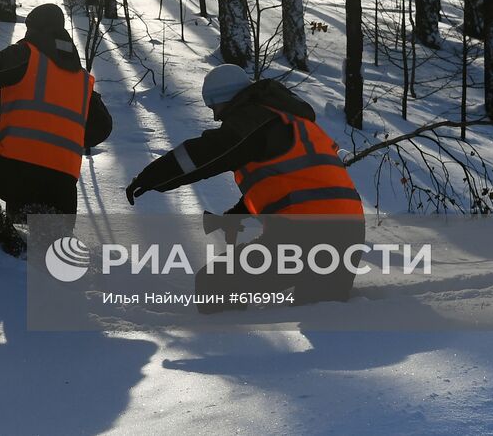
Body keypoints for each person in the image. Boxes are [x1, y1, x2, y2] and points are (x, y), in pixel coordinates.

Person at [124, 64, 365, 306]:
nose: (215, 115)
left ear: (224, 99)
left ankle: (232, 342)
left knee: (214, 284)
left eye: (213, 105)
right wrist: (237, 214)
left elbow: (208, 154)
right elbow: (296, 187)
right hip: (348, 236)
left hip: (304, 238)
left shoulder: (255, 121)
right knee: (319, 311)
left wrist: (152, 176)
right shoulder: (294, 123)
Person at [0, 4, 112, 256]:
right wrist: (65, 134)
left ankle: (2, 230)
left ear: (33, 28)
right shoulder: (82, 79)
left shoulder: (27, 54)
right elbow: (103, 128)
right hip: (63, 190)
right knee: (46, 246)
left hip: (19, 173)